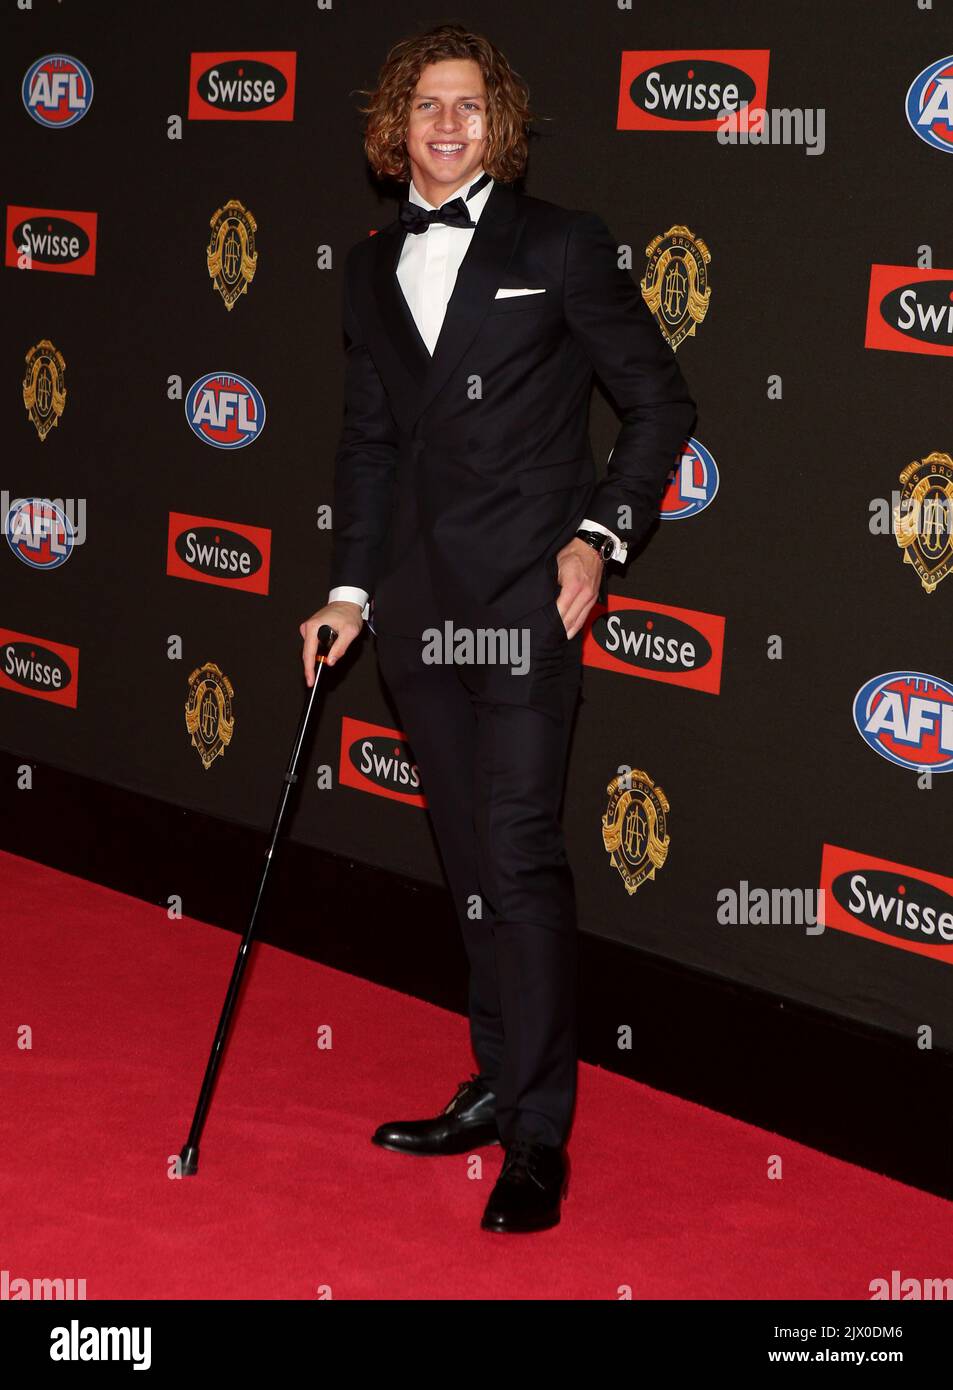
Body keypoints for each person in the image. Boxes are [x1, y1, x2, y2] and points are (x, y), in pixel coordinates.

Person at [300, 23, 696, 1233]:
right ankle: (492, 1079)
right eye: (427, 103)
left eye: (470, 105)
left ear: (499, 123)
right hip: (416, 613)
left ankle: (537, 1133)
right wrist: (347, 594)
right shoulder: (370, 267)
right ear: (393, 124)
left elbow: (657, 401)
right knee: (469, 859)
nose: (447, 123)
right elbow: (370, 446)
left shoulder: (560, 244)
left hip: (525, 601)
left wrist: (601, 536)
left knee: (518, 853)